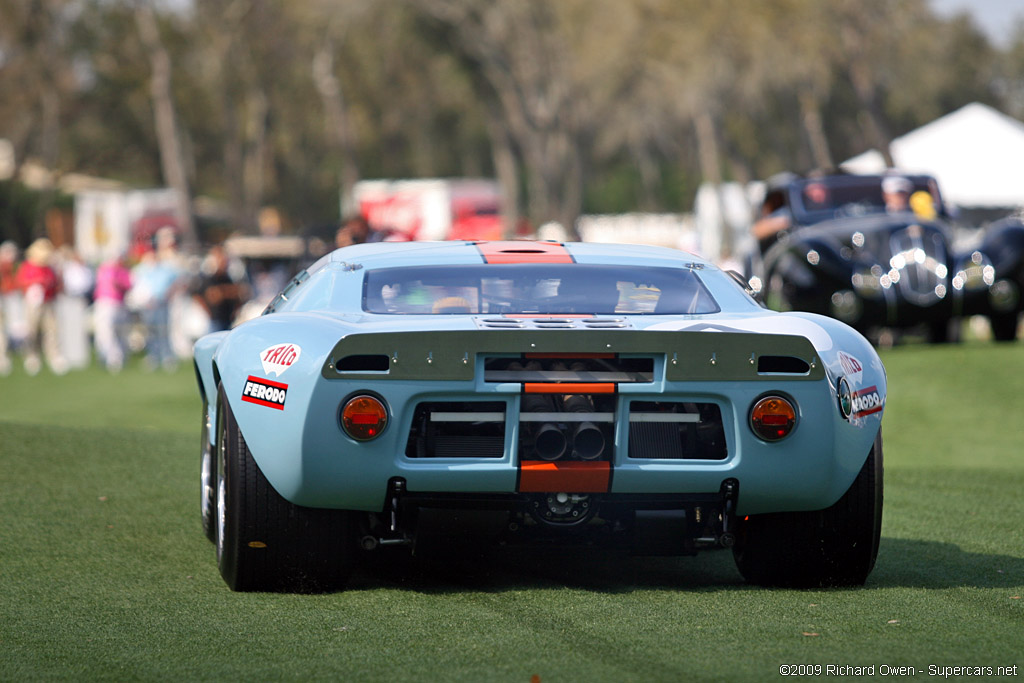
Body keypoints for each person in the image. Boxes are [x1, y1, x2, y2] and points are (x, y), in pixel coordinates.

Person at [129, 228, 184, 370]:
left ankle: (167, 356)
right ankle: (153, 355)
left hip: (161, 303)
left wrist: (168, 295)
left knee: (163, 330)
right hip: (148, 305)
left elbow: (176, 282)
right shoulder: (143, 270)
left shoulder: (165, 268)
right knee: (151, 331)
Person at [15, 238, 66, 375]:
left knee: (51, 330)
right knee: (32, 330)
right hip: (33, 303)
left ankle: (54, 356)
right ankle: (32, 356)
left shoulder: (49, 268)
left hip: (48, 302)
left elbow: (56, 283)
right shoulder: (27, 266)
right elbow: (21, 282)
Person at [193, 244, 248, 332]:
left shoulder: (229, 278)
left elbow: (241, 293)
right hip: (216, 321)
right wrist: (208, 313)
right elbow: (210, 296)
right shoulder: (209, 279)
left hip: (228, 319)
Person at [93, 252, 133, 372]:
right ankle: (108, 356)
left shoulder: (122, 271)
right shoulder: (104, 269)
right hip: (104, 302)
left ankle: (117, 357)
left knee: (117, 332)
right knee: (105, 332)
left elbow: (127, 285)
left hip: (117, 304)